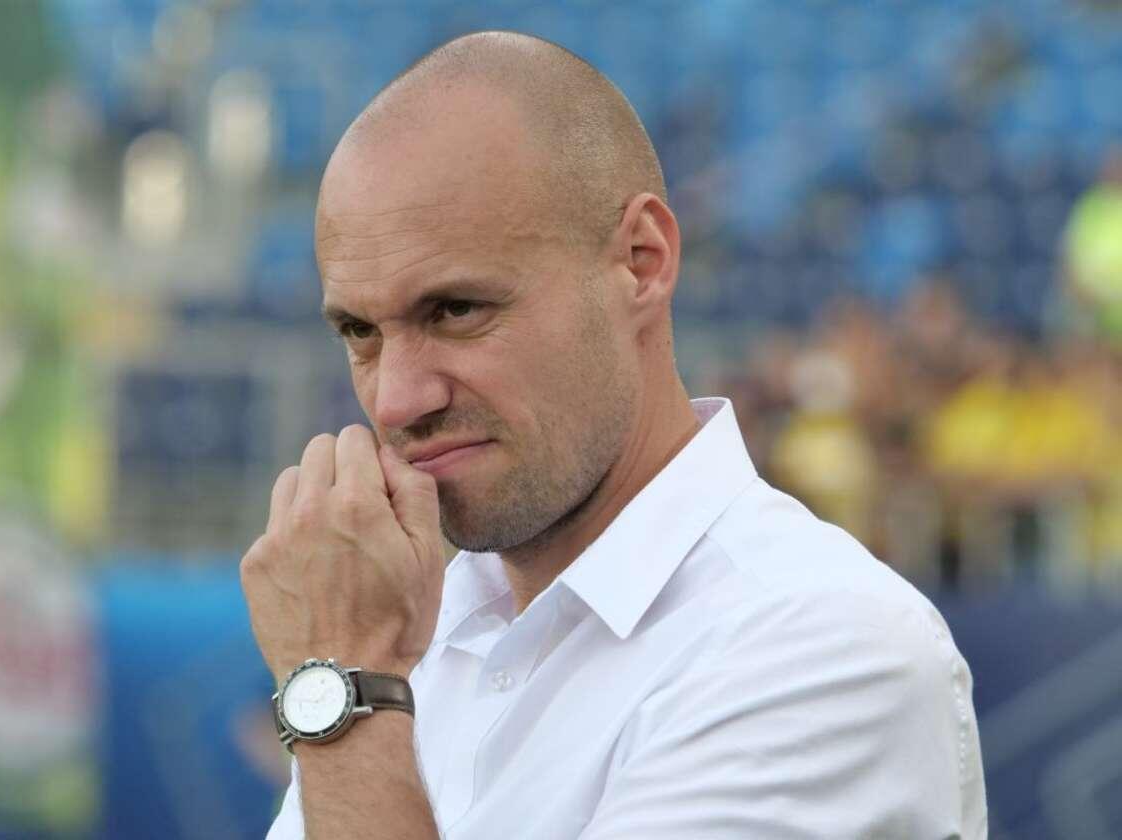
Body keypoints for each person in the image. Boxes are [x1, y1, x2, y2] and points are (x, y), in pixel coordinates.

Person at [240, 31, 987, 839]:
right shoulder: (407, 634)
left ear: (642, 261)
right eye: (360, 332)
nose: (395, 401)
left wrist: (345, 697)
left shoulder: (828, 646)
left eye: (456, 311)